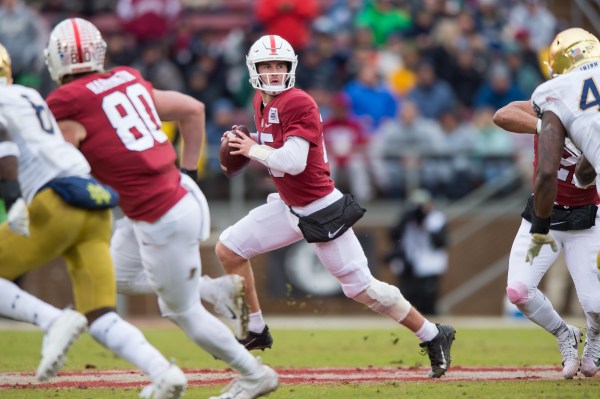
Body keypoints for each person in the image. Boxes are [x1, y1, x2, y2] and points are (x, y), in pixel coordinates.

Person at [44, 18, 278, 399]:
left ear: (57, 59)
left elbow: (65, 164)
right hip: (177, 194)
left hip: (160, 213)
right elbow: (194, 109)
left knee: (180, 312)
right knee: (113, 275)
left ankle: (253, 374)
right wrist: (188, 172)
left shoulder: (66, 101)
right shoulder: (125, 76)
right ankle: (213, 291)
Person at [216, 34, 456, 379]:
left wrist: (251, 148)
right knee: (229, 249)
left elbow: (294, 162)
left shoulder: (298, 102)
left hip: (318, 207)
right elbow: (276, 155)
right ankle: (255, 329)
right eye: (266, 66)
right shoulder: (260, 100)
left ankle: (433, 334)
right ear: (254, 69)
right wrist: (245, 145)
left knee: (361, 288)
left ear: (290, 67)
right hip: (287, 204)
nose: (272, 73)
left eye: (278, 66)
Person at [0, 42, 187, 398]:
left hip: (54, 201)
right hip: (94, 201)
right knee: (100, 314)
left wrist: (12, 199)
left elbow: (3, 144)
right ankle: (164, 372)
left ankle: (51, 318)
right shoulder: (28, 95)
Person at [505, 27, 600, 379]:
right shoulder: (552, 102)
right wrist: (545, 127)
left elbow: (585, 177)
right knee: (518, 290)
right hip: (542, 217)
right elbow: (503, 114)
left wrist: (581, 155)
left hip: (586, 219)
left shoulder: (589, 119)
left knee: (595, 303)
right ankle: (565, 334)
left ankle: (595, 339)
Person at [386, 189, 448, 315]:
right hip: (409, 265)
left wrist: (425, 223)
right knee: (407, 299)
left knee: (427, 298)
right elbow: (393, 236)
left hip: (429, 265)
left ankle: (431, 328)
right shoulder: (406, 220)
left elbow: (440, 242)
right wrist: (405, 220)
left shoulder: (436, 219)